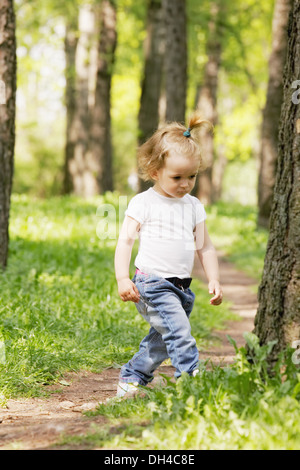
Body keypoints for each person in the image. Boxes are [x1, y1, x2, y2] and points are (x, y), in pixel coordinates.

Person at [114, 111, 223, 398]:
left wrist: (214, 277)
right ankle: (191, 385)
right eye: (177, 177)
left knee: (163, 339)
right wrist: (122, 278)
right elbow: (125, 240)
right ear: (155, 172)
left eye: (192, 176)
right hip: (152, 284)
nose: (185, 183)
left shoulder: (193, 206)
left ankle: (131, 377)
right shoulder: (144, 203)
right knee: (180, 335)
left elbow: (205, 246)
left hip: (181, 290)